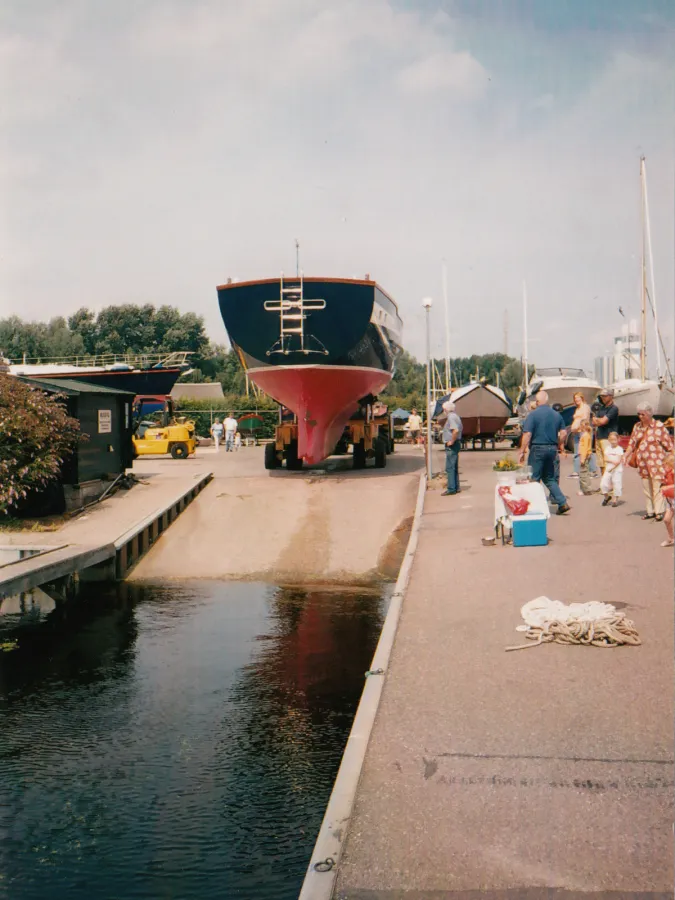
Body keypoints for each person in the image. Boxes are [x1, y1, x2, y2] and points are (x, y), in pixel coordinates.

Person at [519, 390, 570, 515]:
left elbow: (527, 434)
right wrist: (558, 444)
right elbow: (563, 433)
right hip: (552, 449)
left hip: (537, 448)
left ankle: (532, 506)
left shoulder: (533, 415)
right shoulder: (557, 415)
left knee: (534, 478)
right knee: (549, 478)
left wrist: (521, 450)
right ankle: (562, 502)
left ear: (537, 402)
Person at [625, 401, 674, 521]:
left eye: (643, 414)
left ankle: (659, 512)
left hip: (657, 463)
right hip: (643, 464)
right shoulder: (637, 426)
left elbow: (669, 445)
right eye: (639, 414)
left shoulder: (659, 426)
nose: (640, 417)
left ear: (650, 414)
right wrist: (625, 455)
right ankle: (650, 511)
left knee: (657, 487)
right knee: (647, 488)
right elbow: (632, 443)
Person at [592, 388, 619, 473]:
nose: (603, 398)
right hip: (599, 437)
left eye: (605, 396)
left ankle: (610, 484)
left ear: (611, 396)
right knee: (601, 463)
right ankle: (604, 484)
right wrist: (599, 421)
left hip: (608, 438)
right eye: (602, 396)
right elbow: (593, 422)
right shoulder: (602, 408)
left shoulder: (614, 408)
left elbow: (604, 421)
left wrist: (598, 420)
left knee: (608, 463)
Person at [441, 400, 462, 496]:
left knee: (450, 467)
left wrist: (451, 441)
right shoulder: (456, 416)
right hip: (456, 443)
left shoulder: (451, 417)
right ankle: (456, 487)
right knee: (454, 467)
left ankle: (451, 488)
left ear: (446, 409)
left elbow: (455, 430)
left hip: (452, 445)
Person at [569, 392, 592, 478]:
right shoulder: (577, 408)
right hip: (576, 432)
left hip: (583, 431)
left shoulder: (585, 407)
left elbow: (584, 419)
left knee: (586, 450)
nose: (576, 400)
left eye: (578, 398)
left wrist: (577, 427)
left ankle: (591, 470)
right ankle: (576, 471)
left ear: (582, 398)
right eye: (575, 398)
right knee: (576, 451)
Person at [600, 432, 624, 507]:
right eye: (611, 440)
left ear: (618, 439)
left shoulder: (620, 449)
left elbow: (619, 459)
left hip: (617, 470)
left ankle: (615, 500)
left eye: (615, 439)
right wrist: (612, 461)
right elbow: (605, 458)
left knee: (616, 483)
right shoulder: (607, 448)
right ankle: (607, 497)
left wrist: (617, 463)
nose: (613, 441)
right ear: (609, 440)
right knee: (603, 484)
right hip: (608, 469)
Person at [577, 419, 595, 496]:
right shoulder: (587, 435)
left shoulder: (585, 436)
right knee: (586, 472)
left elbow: (584, 448)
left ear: (583, 426)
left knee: (583, 473)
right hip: (586, 455)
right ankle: (586, 489)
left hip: (584, 456)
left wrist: (582, 459)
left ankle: (585, 490)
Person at [660, 453, 674, 547]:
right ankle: (671, 538)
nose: (664, 467)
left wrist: (667, 487)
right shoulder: (666, 473)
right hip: (670, 499)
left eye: (665, 465)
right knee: (666, 520)